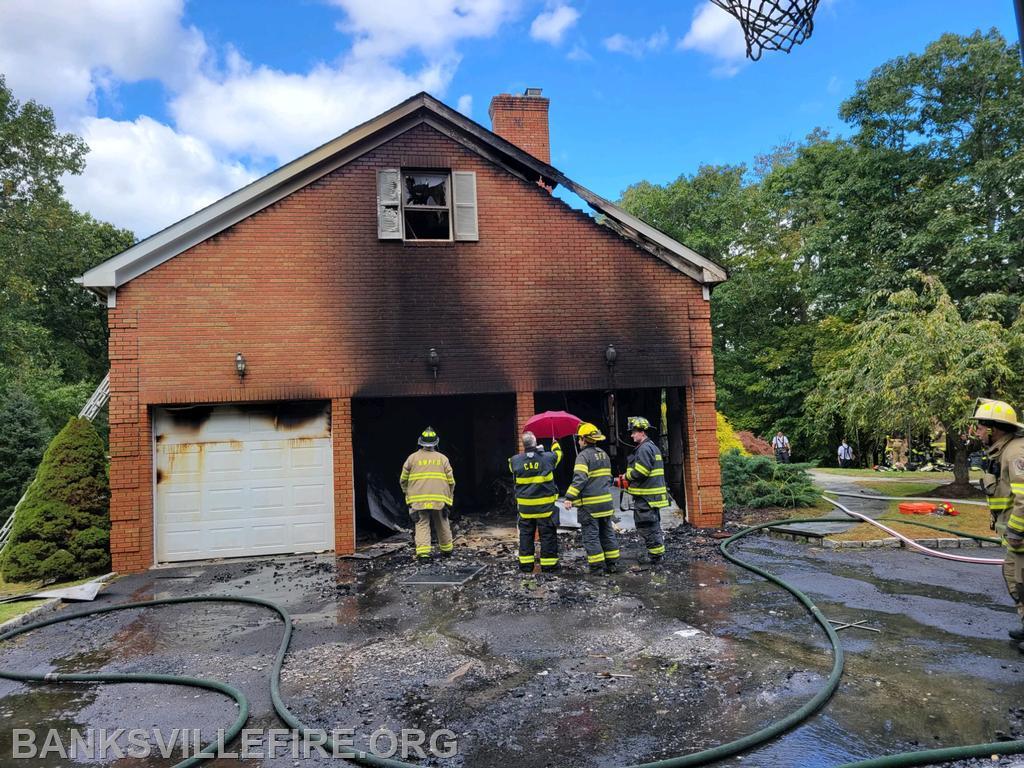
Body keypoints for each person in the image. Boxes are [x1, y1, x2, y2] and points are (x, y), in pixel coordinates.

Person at [970, 398, 1024, 650]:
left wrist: (1015, 529)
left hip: (1021, 535)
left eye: (981, 427)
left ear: (995, 429)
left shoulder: (1015, 453)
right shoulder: (1004, 451)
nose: (978, 432)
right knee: (1014, 579)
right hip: (1016, 539)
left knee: (1021, 580)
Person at [563, 423, 620, 574]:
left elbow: (580, 479)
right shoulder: (604, 454)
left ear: (584, 439)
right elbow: (608, 478)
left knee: (591, 537)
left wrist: (569, 497)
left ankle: (597, 568)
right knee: (607, 534)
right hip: (606, 504)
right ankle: (612, 564)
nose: (578, 441)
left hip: (590, 507)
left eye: (579, 439)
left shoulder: (582, 457)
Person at [509, 431, 563, 573]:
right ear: (535, 443)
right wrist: (554, 444)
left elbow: (513, 468)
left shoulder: (514, 460)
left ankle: (526, 567)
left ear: (523, 444)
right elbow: (558, 456)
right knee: (547, 536)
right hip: (545, 508)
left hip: (526, 509)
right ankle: (549, 566)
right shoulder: (548, 458)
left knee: (526, 536)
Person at [399, 426, 455, 563]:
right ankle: (447, 550)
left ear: (420, 442)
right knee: (442, 522)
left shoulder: (412, 458)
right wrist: (449, 500)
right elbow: (451, 482)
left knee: (422, 523)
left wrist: (408, 495)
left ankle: (424, 554)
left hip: (418, 499)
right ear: (436, 442)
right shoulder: (443, 459)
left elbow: (403, 480)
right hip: (439, 498)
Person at [622, 416, 669, 564]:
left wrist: (626, 476)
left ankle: (655, 558)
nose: (631, 435)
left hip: (646, 497)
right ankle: (657, 554)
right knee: (652, 525)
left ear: (642, 432)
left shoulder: (644, 448)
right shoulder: (651, 446)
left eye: (634, 432)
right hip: (651, 497)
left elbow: (641, 471)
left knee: (647, 526)